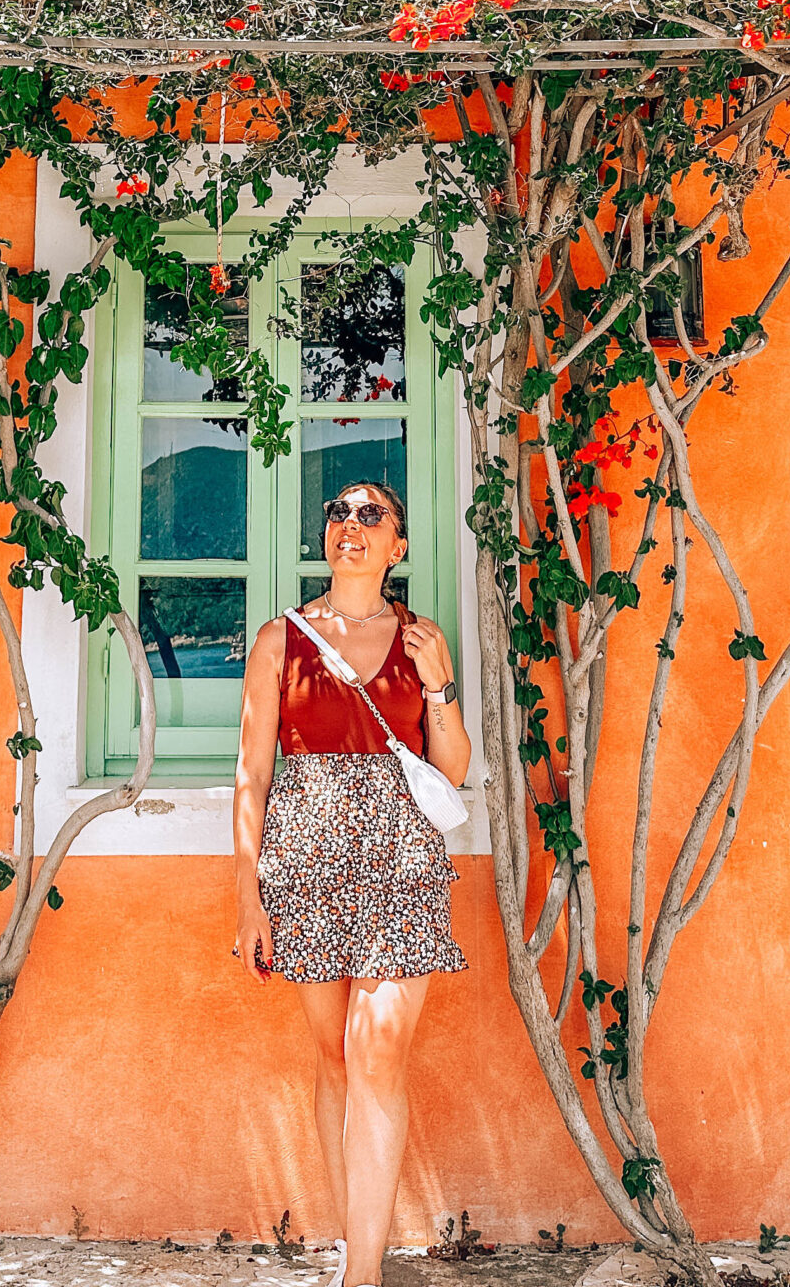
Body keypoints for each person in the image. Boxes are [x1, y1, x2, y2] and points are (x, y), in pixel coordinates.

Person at [230, 479, 473, 1287]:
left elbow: (453, 770)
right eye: (340, 513)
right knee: (336, 1061)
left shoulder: (421, 640)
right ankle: (353, 1249)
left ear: (398, 546)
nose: (352, 525)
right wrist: (247, 894)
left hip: (400, 858)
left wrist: (440, 686)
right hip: (303, 859)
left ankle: (361, 1277)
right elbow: (253, 774)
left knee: (377, 1053)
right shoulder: (280, 641)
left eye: (373, 516)